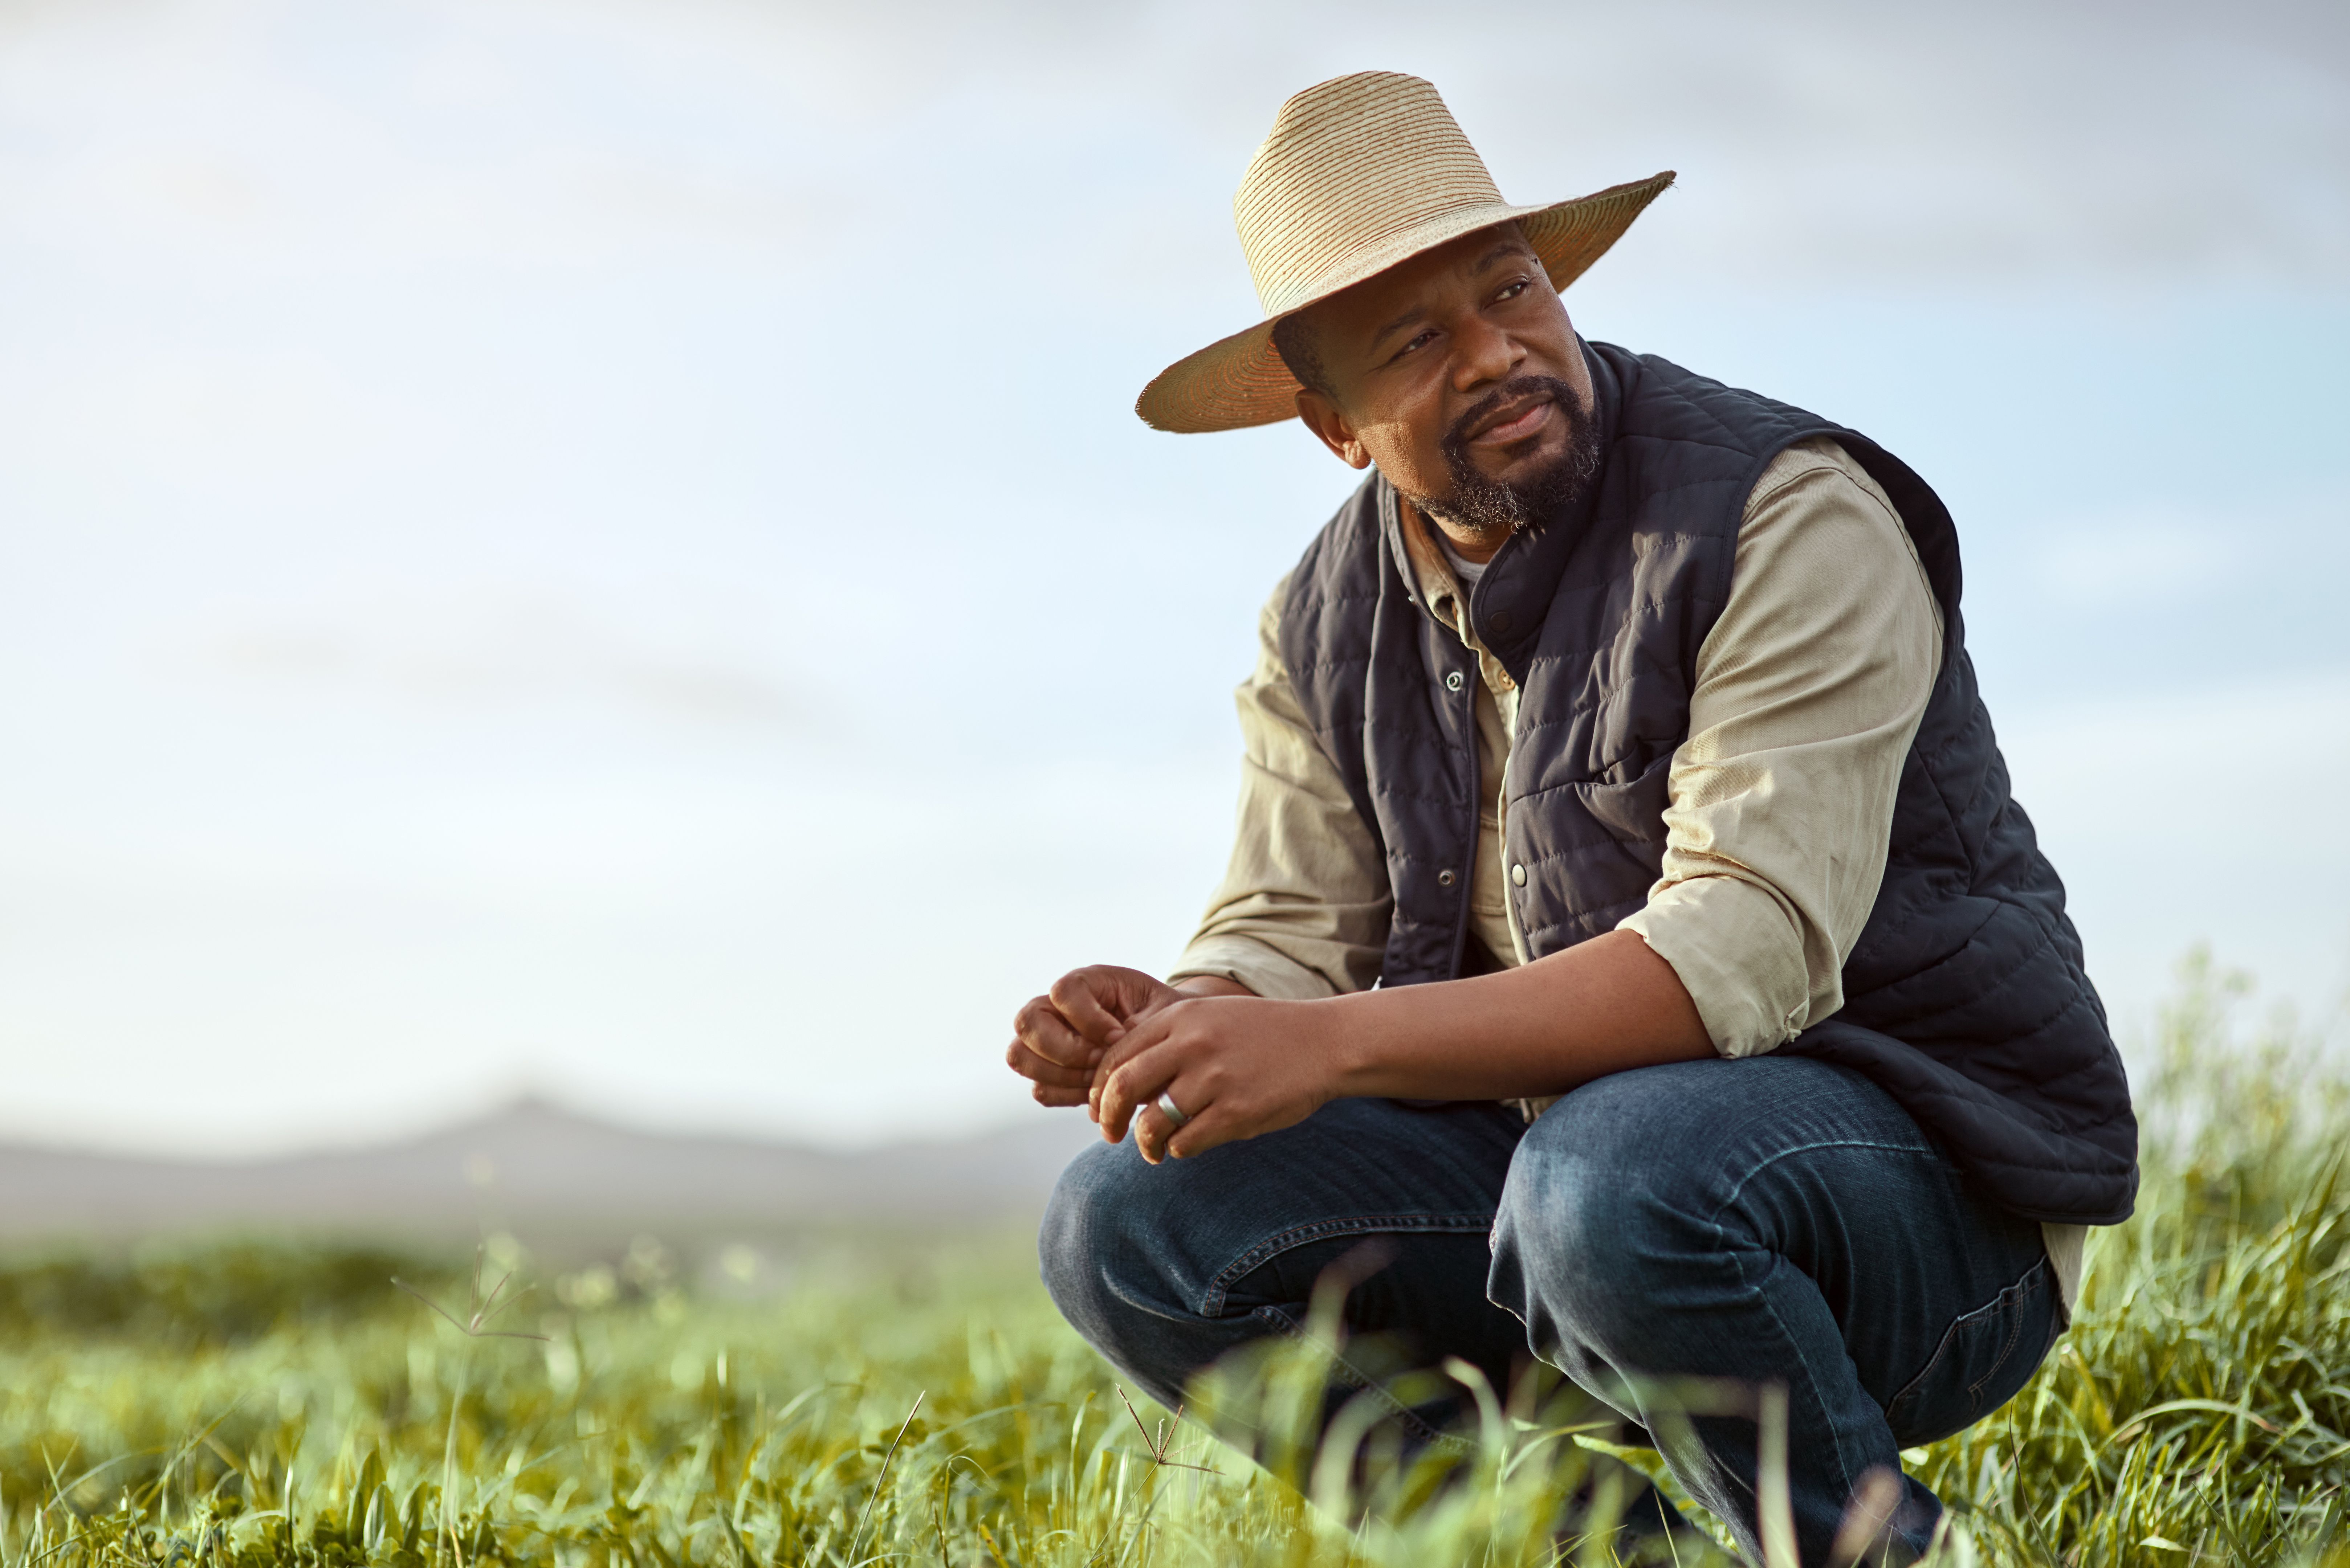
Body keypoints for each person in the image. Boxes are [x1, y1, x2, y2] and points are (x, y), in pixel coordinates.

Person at [1006, 71, 2137, 1565]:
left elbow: (1732, 954)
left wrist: (1324, 1044)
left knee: (1609, 1178)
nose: (1496, 354)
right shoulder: (1319, 618)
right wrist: (1182, 1018)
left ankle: (1863, 1553)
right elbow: (1288, 924)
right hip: (1561, 1195)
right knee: (1122, 1224)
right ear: (1332, 425)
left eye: (1508, 291)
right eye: (1416, 341)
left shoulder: (1785, 512)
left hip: (1921, 1214)